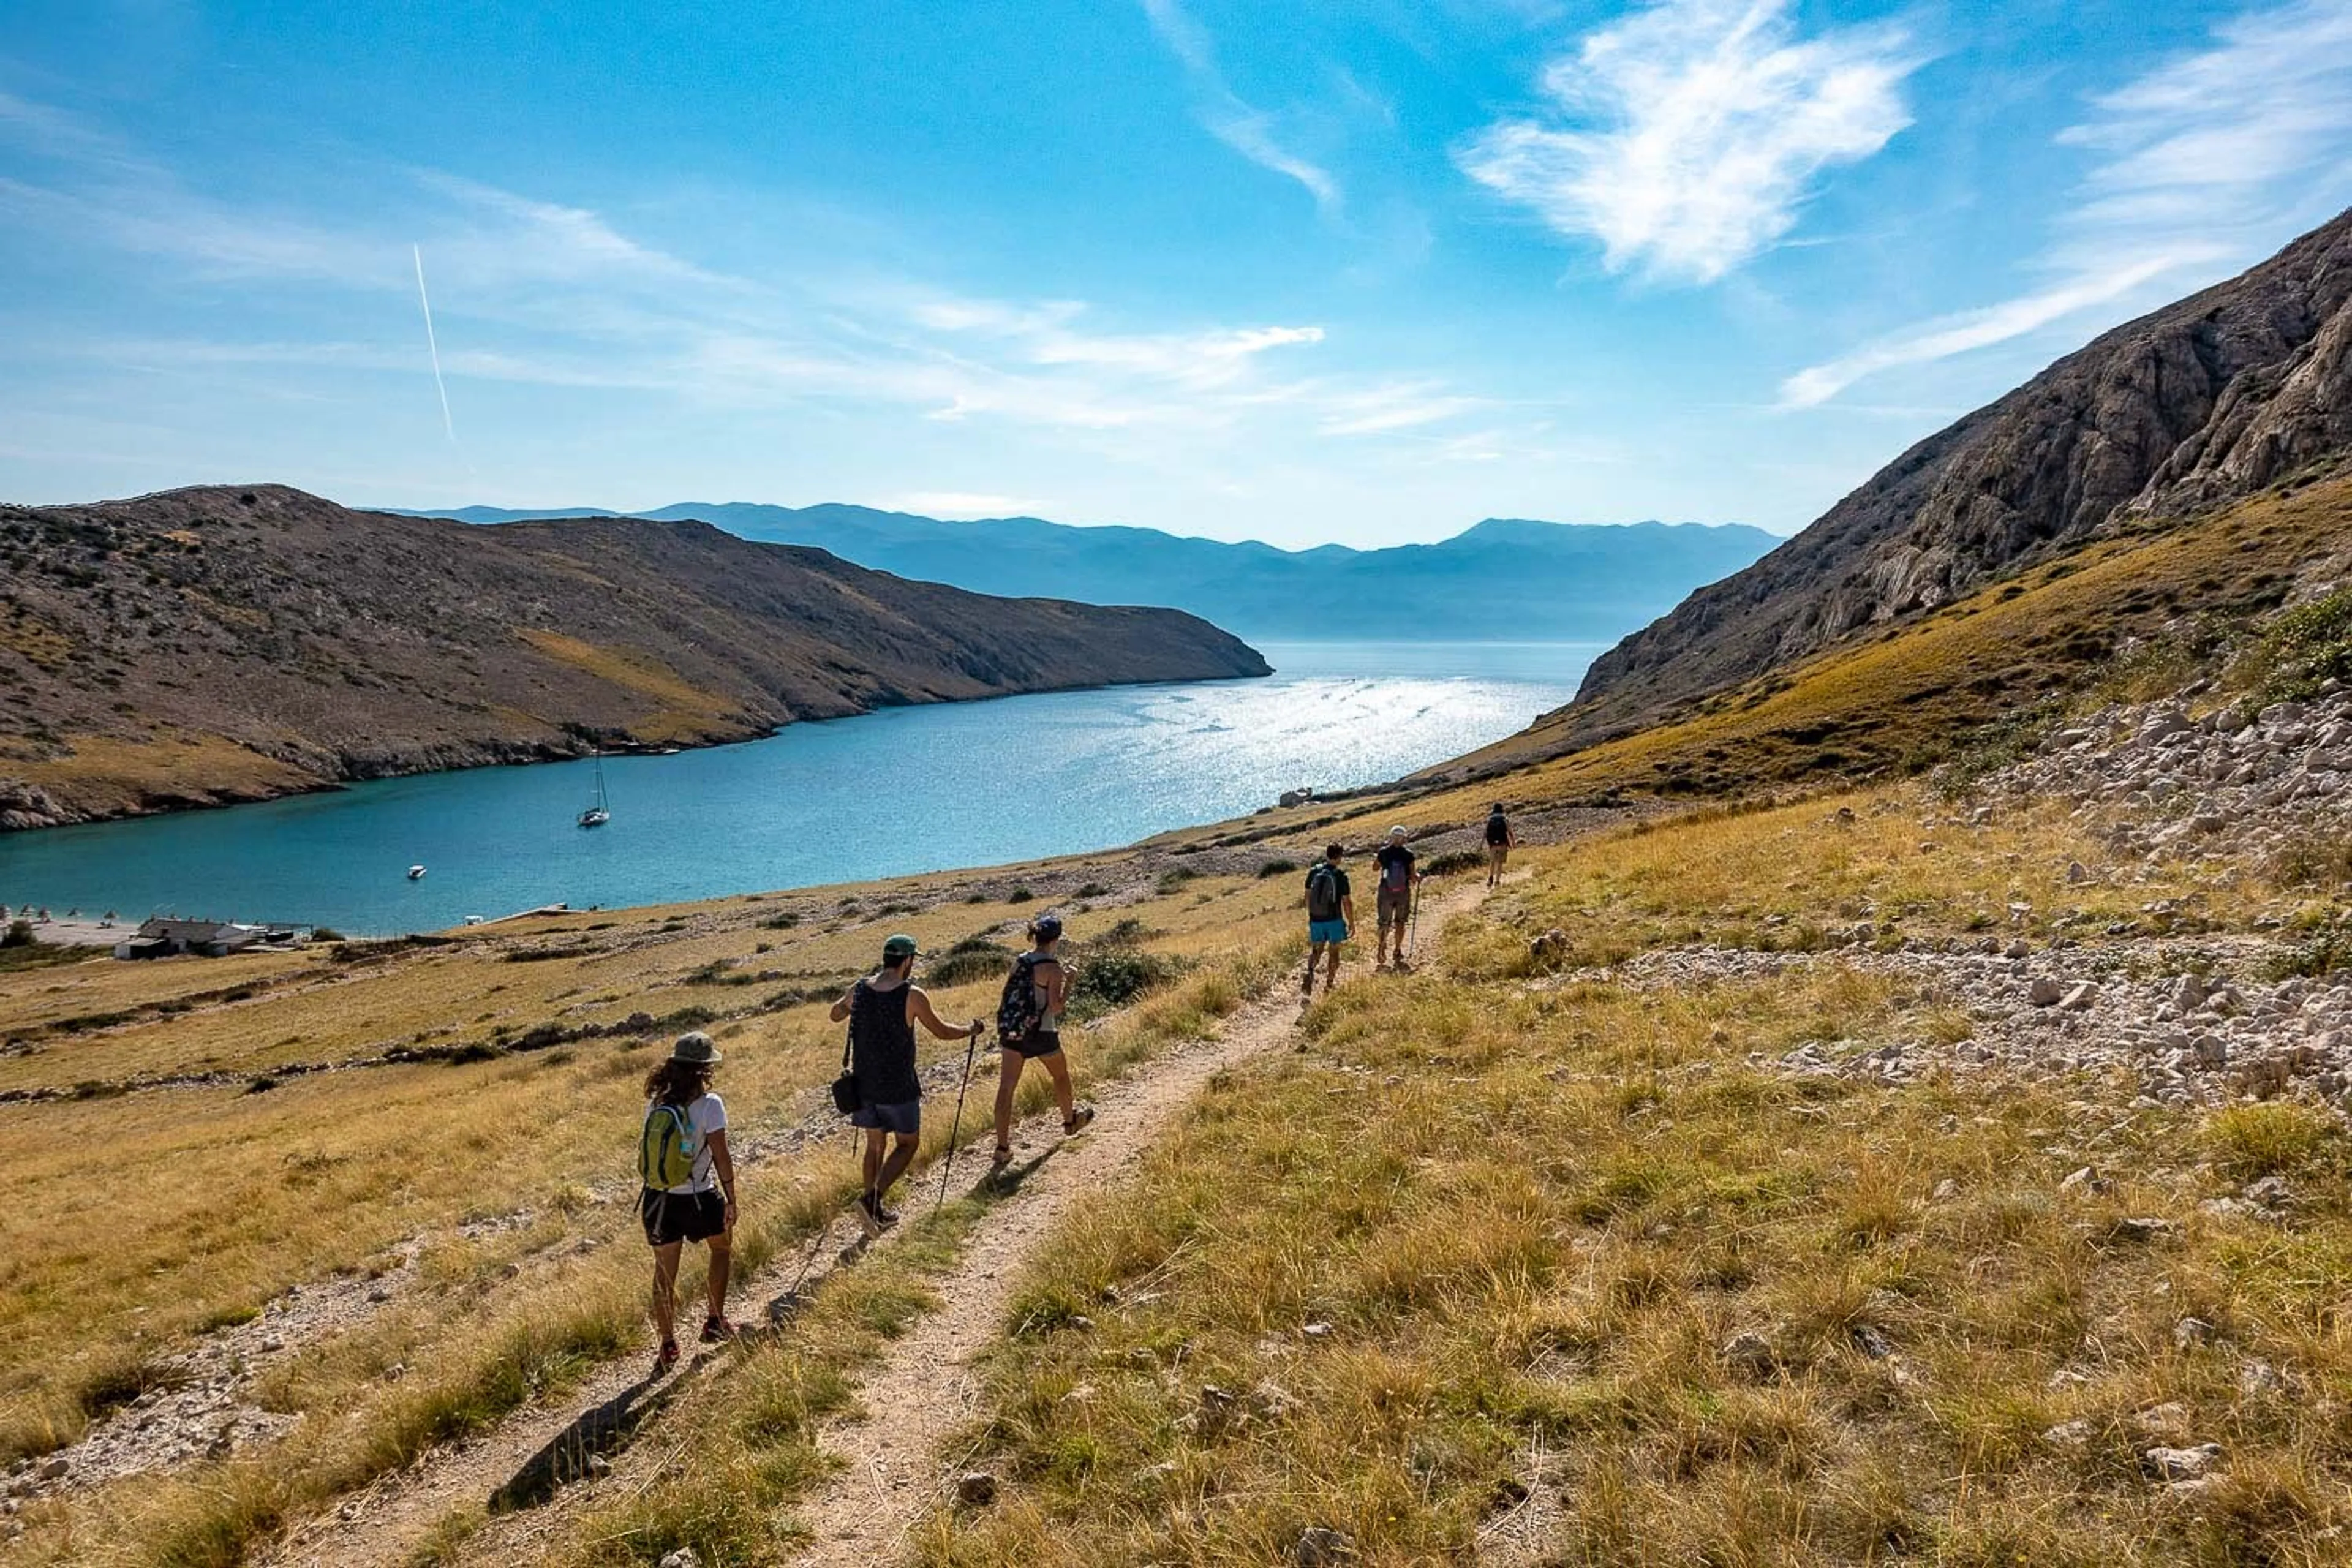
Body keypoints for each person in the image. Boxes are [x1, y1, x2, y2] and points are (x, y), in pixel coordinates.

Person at [829, 933, 984, 1236]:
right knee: (908, 1144)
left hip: (864, 1084)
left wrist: (851, 1006)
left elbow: (835, 1014)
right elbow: (942, 1032)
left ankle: (873, 1214)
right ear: (908, 961)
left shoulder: (859, 989)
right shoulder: (912, 995)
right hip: (898, 1085)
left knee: (875, 1145)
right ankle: (871, 1201)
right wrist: (970, 1029)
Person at [638, 1031, 737, 1375]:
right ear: (705, 1069)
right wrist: (731, 1199)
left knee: (664, 1274)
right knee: (721, 1249)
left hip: (658, 1200)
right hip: (699, 1197)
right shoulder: (711, 1105)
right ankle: (714, 1321)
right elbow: (721, 1155)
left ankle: (667, 1345)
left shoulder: (657, 1104)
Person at [989, 913, 1097, 1172]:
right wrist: (1070, 982)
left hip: (1013, 1032)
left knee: (1007, 1087)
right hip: (1042, 1032)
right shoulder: (1052, 968)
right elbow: (1056, 1007)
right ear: (1056, 939)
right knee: (1060, 1075)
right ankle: (1070, 1121)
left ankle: (1002, 1148)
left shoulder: (1020, 961)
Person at [1302, 842, 1354, 998]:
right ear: (1340, 857)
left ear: (1327, 854)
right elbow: (1347, 902)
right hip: (1334, 920)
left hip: (1316, 919)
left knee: (1317, 949)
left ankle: (1310, 972)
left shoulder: (1314, 872)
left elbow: (1307, 897)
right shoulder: (1340, 876)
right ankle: (1329, 984)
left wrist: (1311, 915)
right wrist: (1351, 923)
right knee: (1334, 952)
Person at [1373, 825, 1423, 972]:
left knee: (1384, 922)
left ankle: (1381, 948)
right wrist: (1418, 877)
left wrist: (1381, 860)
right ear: (1404, 839)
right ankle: (1397, 950)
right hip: (1403, 892)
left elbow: (1375, 868)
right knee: (1400, 922)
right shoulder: (1408, 854)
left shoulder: (1384, 852)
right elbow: (1413, 877)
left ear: (1391, 837)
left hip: (1385, 892)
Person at [1484, 802, 1517, 888]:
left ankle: (1490, 878)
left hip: (1492, 845)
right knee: (1500, 863)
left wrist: (1485, 844)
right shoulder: (1504, 819)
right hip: (1503, 843)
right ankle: (1497, 881)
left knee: (1492, 862)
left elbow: (1486, 833)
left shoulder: (1490, 819)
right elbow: (1510, 832)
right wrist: (1513, 843)